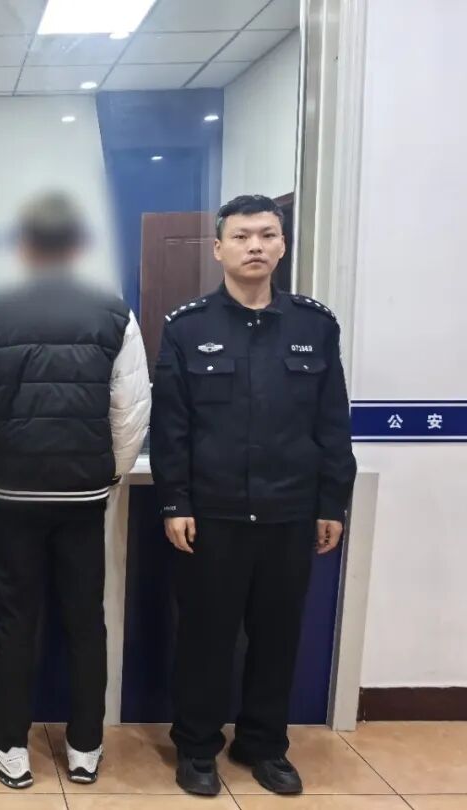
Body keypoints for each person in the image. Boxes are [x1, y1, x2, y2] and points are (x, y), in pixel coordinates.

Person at [151, 194, 357, 797]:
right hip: (212, 516)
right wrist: (175, 501)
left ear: (282, 245)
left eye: (267, 235)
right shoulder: (188, 327)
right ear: (218, 249)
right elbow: (172, 426)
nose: (255, 247)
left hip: (290, 512)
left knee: (277, 637)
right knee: (206, 637)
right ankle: (196, 747)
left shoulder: (314, 325)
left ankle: (264, 744)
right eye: (241, 237)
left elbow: (332, 420)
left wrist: (332, 502)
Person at [0, 193, 151, 789]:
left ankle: (10, 748)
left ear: (24, 247)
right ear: (78, 246)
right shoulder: (115, 313)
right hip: (83, 496)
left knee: (16, 621)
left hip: (13, 494)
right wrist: (107, 475)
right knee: (86, 620)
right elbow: (131, 409)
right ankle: (85, 748)